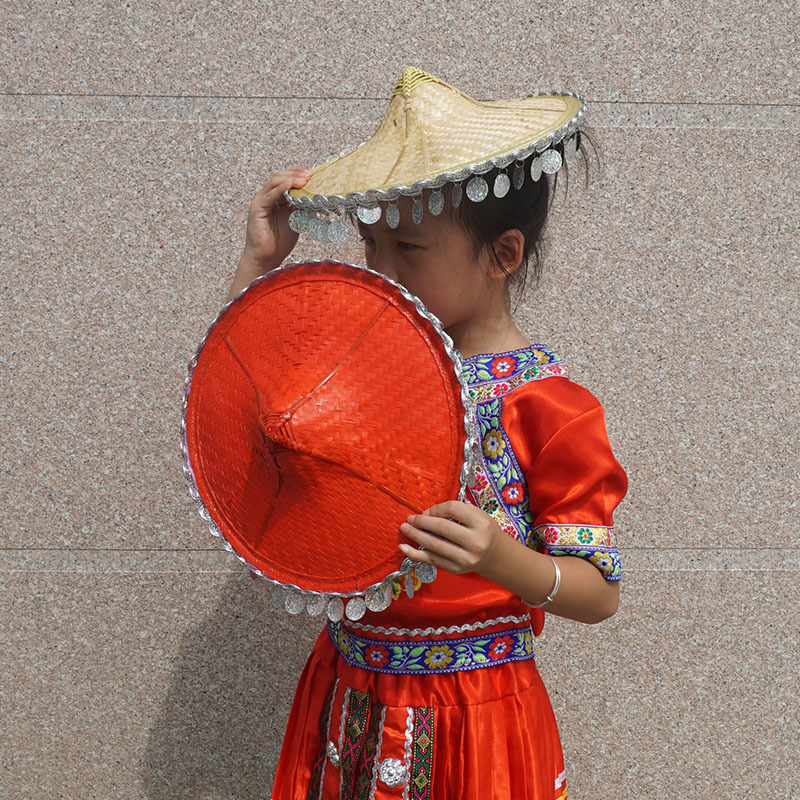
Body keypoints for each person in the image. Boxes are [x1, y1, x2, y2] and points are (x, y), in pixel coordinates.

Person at [226, 69, 627, 800]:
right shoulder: (361, 369)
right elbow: (248, 414)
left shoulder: (550, 406)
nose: (380, 271)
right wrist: (259, 266)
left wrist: (505, 560)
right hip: (349, 690)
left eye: (407, 250)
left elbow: (598, 592)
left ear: (503, 255)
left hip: (477, 712)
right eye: (370, 245)